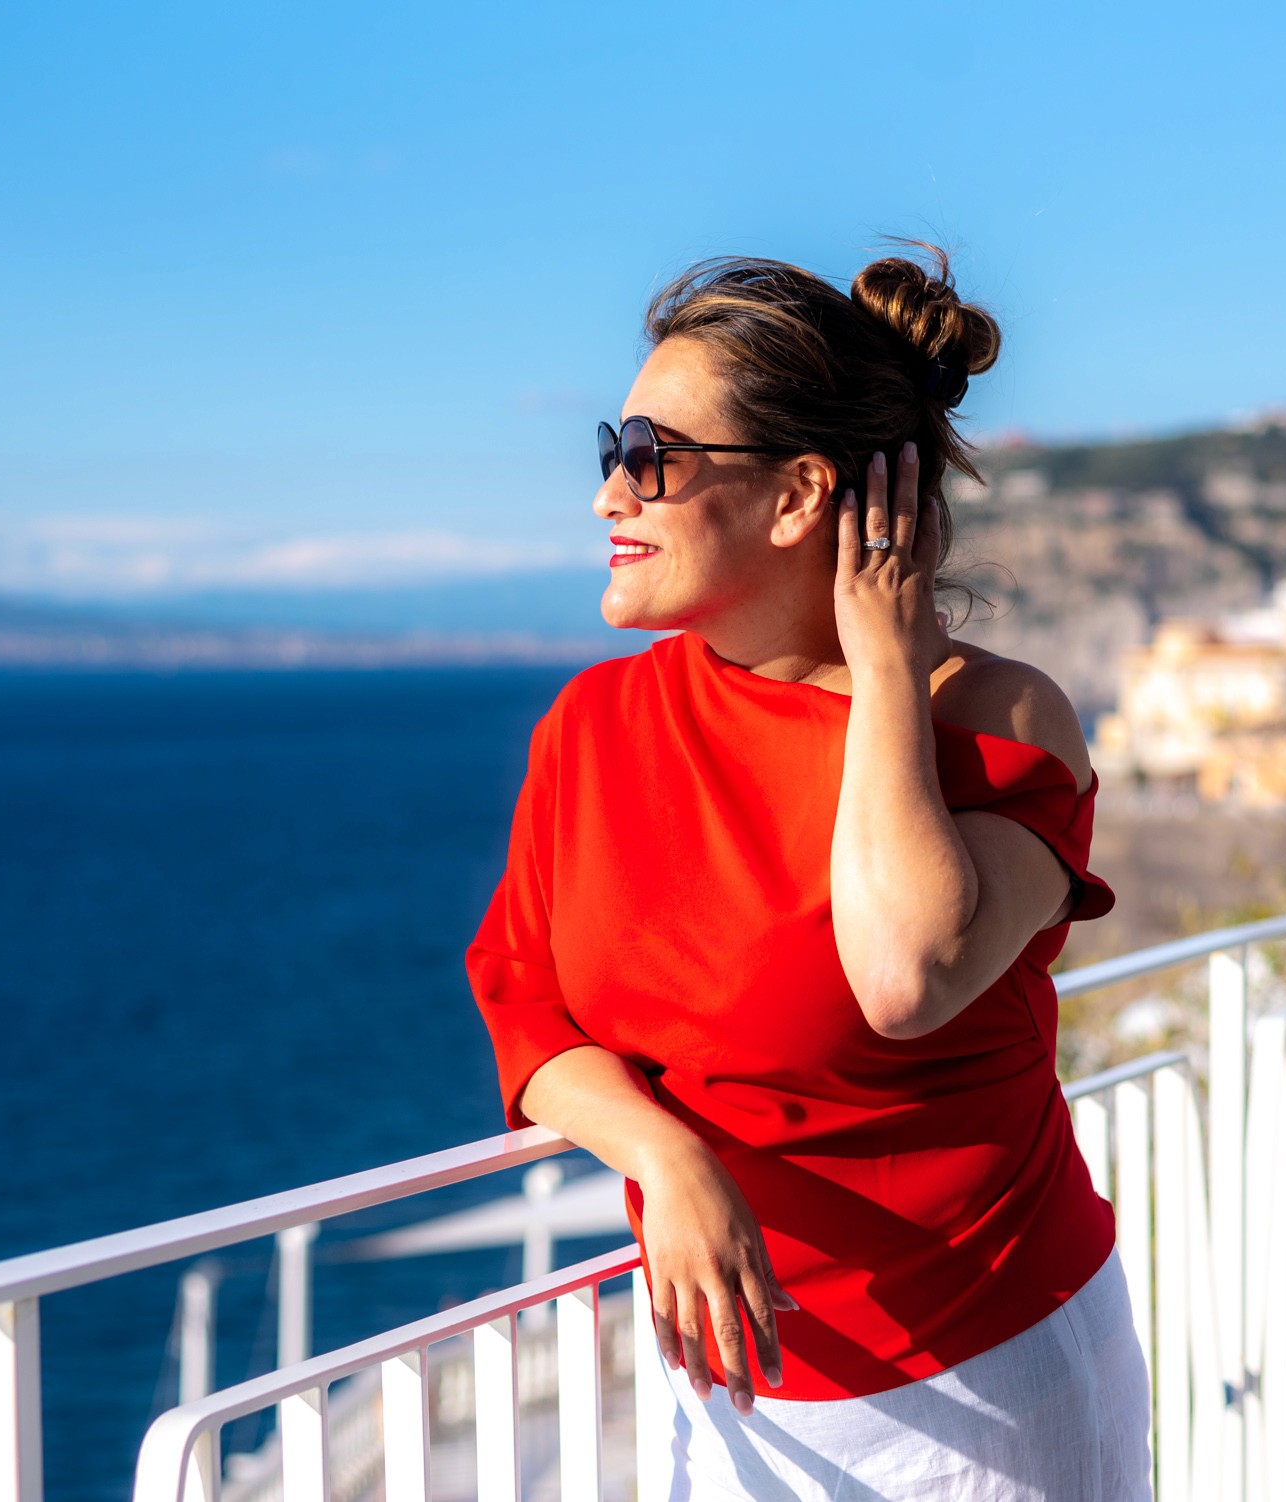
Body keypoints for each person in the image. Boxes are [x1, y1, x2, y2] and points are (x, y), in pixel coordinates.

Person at [467, 246, 1152, 1500]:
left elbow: (907, 974)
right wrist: (667, 1157)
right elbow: (528, 1008)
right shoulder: (591, 729)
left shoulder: (997, 723)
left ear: (797, 496)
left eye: (651, 455)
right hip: (733, 1394)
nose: (611, 491)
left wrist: (886, 670)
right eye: (613, 449)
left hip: (995, 1381)